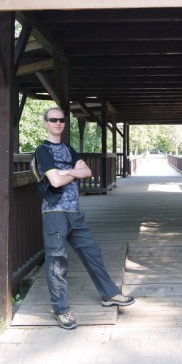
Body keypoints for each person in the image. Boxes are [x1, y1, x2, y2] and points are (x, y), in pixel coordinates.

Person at [34, 107, 135, 330]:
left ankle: (109, 294)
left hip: (75, 213)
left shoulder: (68, 149)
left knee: (92, 252)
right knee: (57, 261)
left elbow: (87, 172)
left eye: (61, 120)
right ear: (46, 123)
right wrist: (73, 172)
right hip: (54, 212)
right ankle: (61, 310)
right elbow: (55, 182)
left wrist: (65, 172)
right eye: (53, 119)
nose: (58, 123)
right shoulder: (42, 150)